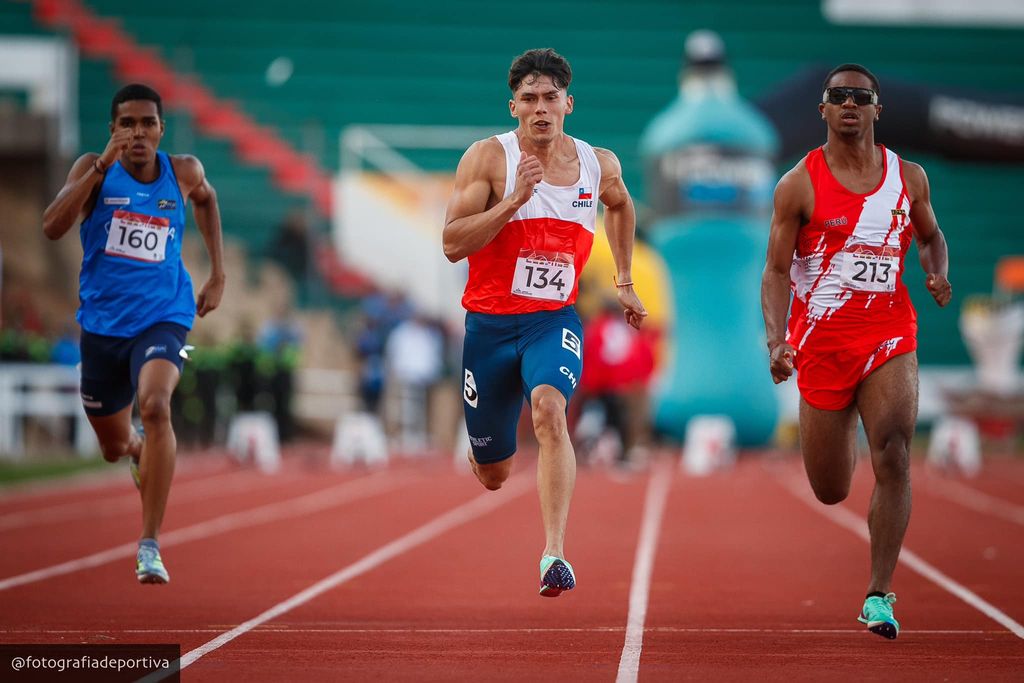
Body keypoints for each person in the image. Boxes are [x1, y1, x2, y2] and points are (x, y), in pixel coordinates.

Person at [443, 48, 647, 597]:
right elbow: (451, 244)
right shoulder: (487, 159)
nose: (540, 108)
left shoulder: (597, 163)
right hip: (488, 328)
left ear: (568, 104)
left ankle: (554, 553)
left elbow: (622, 206)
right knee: (494, 474)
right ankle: (482, 445)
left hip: (550, 319)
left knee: (551, 411)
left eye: (550, 98)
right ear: (513, 106)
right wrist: (513, 202)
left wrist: (624, 281)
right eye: (529, 99)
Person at [761, 63, 951, 638]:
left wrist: (936, 272)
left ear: (877, 109)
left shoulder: (908, 177)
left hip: (890, 333)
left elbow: (931, 236)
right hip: (821, 344)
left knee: (893, 453)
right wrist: (777, 339)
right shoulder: (798, 184)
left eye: (860, 97)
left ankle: (879, 593)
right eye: (838, 96)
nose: (850, 104)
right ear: (822, 110)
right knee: (831, 488)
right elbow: (773, 271)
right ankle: (831, 429)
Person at [42, 83, 225, 584]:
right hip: (102, 325)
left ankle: (149, 544)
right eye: (127, 124)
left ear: (161, 130)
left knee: (156, 405)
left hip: (165, 313)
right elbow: (53, 226)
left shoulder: (182, 172)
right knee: (111, 445)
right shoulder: (92, 172)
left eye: (147, 123)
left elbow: (207, 202)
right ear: (112, 130)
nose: (137, 133)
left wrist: (217, 273)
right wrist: (100, 167)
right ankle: (136, 450)